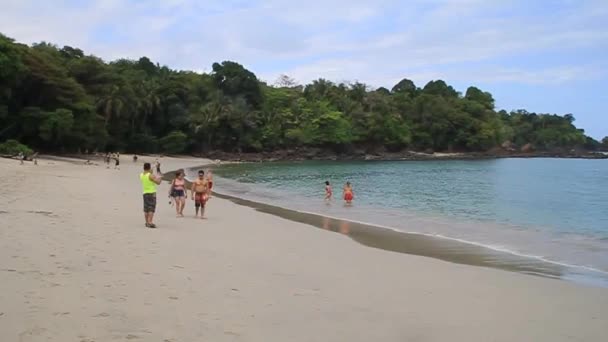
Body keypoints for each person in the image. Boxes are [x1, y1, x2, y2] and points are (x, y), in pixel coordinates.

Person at [140, 162, 161, 228]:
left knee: (146, 208)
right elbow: (158, 182)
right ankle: (150, 222)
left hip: (145, 193)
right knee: (151, 208)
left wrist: (155, 166)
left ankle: (146, 222)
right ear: (149, 168)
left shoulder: (141, 174)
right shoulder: (151, 175)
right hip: (152, 193)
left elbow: (150, 171)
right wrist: (159, 173)